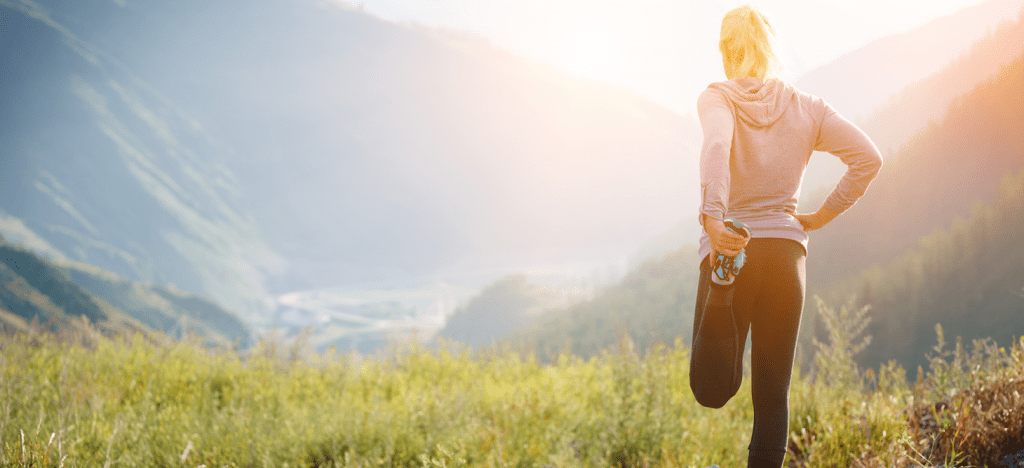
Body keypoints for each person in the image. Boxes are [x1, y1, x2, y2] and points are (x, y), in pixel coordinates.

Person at [688, 5, 883, 468]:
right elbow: (868, 158)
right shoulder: (808, 106)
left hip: (732, 244)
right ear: (769, 48)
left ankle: (723, 287)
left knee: (710, 388)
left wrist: (714, 219)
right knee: (773, 398)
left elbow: (717, 146)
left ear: (725, 50)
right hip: (786, 255)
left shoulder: (718, 98)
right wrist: (821, 216)